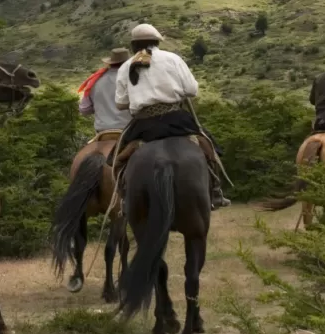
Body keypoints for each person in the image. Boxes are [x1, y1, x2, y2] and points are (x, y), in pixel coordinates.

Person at [113, 23, 231, 209]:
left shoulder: (125, 67)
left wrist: (140, 96)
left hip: (143, 125)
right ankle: (215, 191)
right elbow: (192, 90)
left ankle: (124, 198)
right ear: (156, 41)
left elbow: (120, 104)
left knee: (116, 160)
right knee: (209, 147)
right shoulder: (173, 58)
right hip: (175, 118)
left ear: (134, 45)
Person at [78, 47, 132, 136]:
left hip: (102, 132)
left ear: (111, 63)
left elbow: (84, 109)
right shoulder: (133, 79)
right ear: (127, 64)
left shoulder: (94, 80)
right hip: (128, 130)